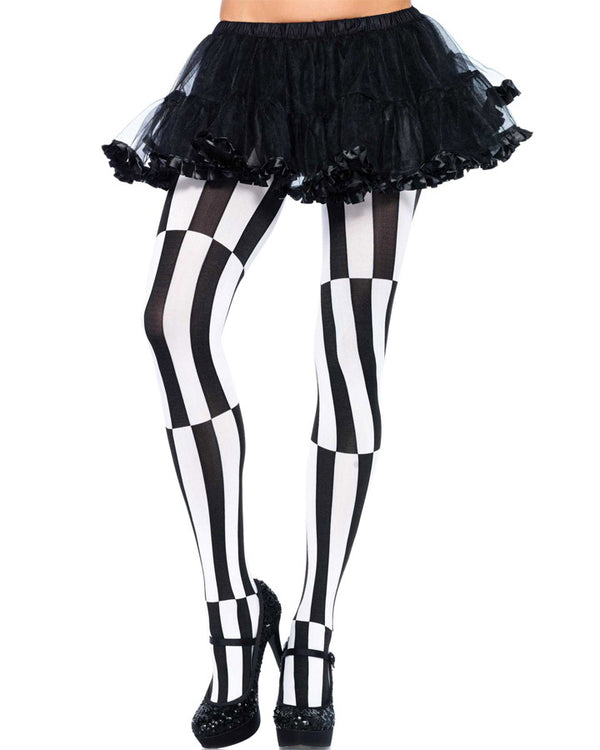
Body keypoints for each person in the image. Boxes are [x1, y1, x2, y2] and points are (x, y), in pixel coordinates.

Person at [101, 1, 532, 746]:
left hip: (377, 63)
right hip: (246, 65)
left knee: (351, 348)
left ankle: (314, 632)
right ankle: (233, 612)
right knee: (174, 320)